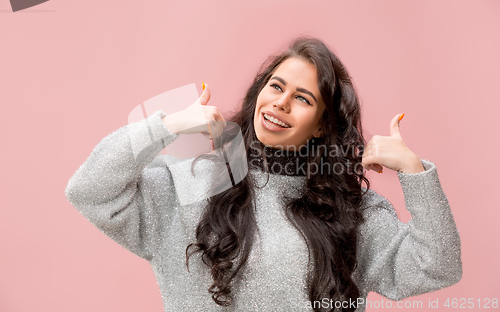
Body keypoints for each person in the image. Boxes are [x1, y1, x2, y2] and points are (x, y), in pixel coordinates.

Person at [65, 37, 462, 312]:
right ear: (259, 94)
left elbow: (437, 265)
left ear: (322, 125)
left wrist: (414, 173)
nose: (281, 103)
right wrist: (167, 125)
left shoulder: (348, 211)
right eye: (276, 86)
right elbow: (91, 190)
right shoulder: (194, 182)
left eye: (303, 98)